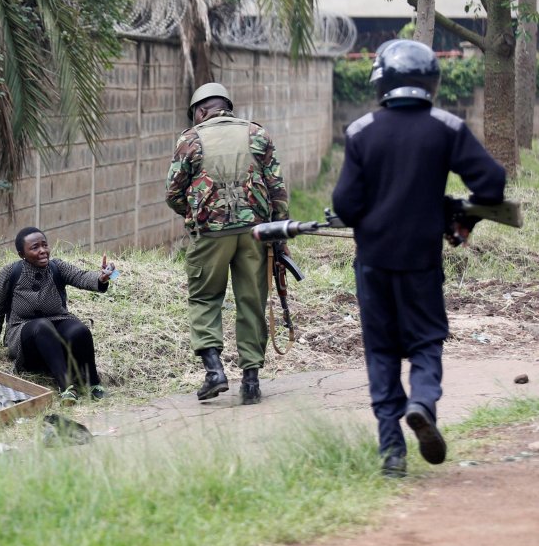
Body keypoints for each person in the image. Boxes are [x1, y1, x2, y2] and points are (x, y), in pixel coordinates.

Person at [331, 40, 505, 477]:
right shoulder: (447, 127)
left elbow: (346, 206)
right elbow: (492, 183)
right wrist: (463, 220)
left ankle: (392, 452)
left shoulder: (360, 131)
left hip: (373, 262)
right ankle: (422, 403)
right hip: (422, 262)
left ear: (382, 81)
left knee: (382, 351)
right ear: (431, 80)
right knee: (426, 341)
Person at [165, 82, 289, 406]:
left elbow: (173, 193)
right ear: (227, 107)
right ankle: (251, 382)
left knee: (205, 298)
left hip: (210, 234)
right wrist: (278, 232)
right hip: (255, 233)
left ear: (201, 111)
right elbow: (277, 188)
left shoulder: (190, 139)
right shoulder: (256, 133)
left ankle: (214, 372)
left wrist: (194, 212)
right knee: (252, 301)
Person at [0, 227, 113, 406]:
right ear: (22, 253)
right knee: (41, 326)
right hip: (23, 332)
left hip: (57, 322)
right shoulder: (10, 273)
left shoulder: (57, 267)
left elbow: (81, 276)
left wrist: (102, 278)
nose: (42, 251)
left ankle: (93, 383)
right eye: (35, 247)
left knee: (79, 330)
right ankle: (67, 388)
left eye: (44, 245)